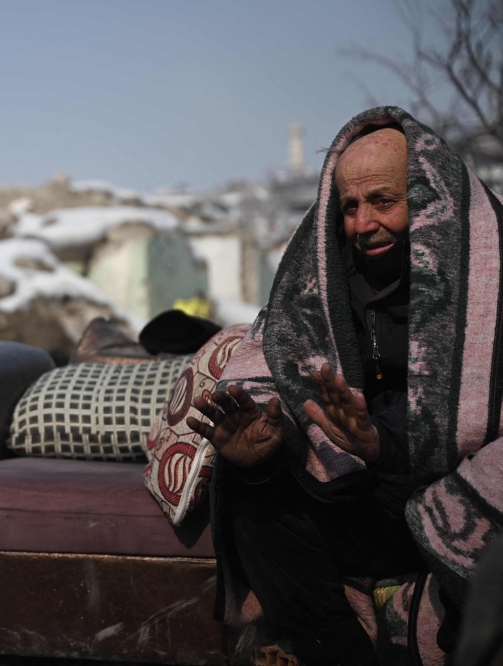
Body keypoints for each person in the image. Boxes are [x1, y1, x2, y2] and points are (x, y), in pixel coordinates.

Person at [187, 106, 503, 665]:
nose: (363, 224)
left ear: (430, 199)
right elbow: (280, 357)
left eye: (383, 201)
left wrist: (387, 439)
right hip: (366, 489)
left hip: (463, 486)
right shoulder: (329, 282)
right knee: (245, 494)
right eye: (350, 207)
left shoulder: (488, 272)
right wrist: (264, 449)